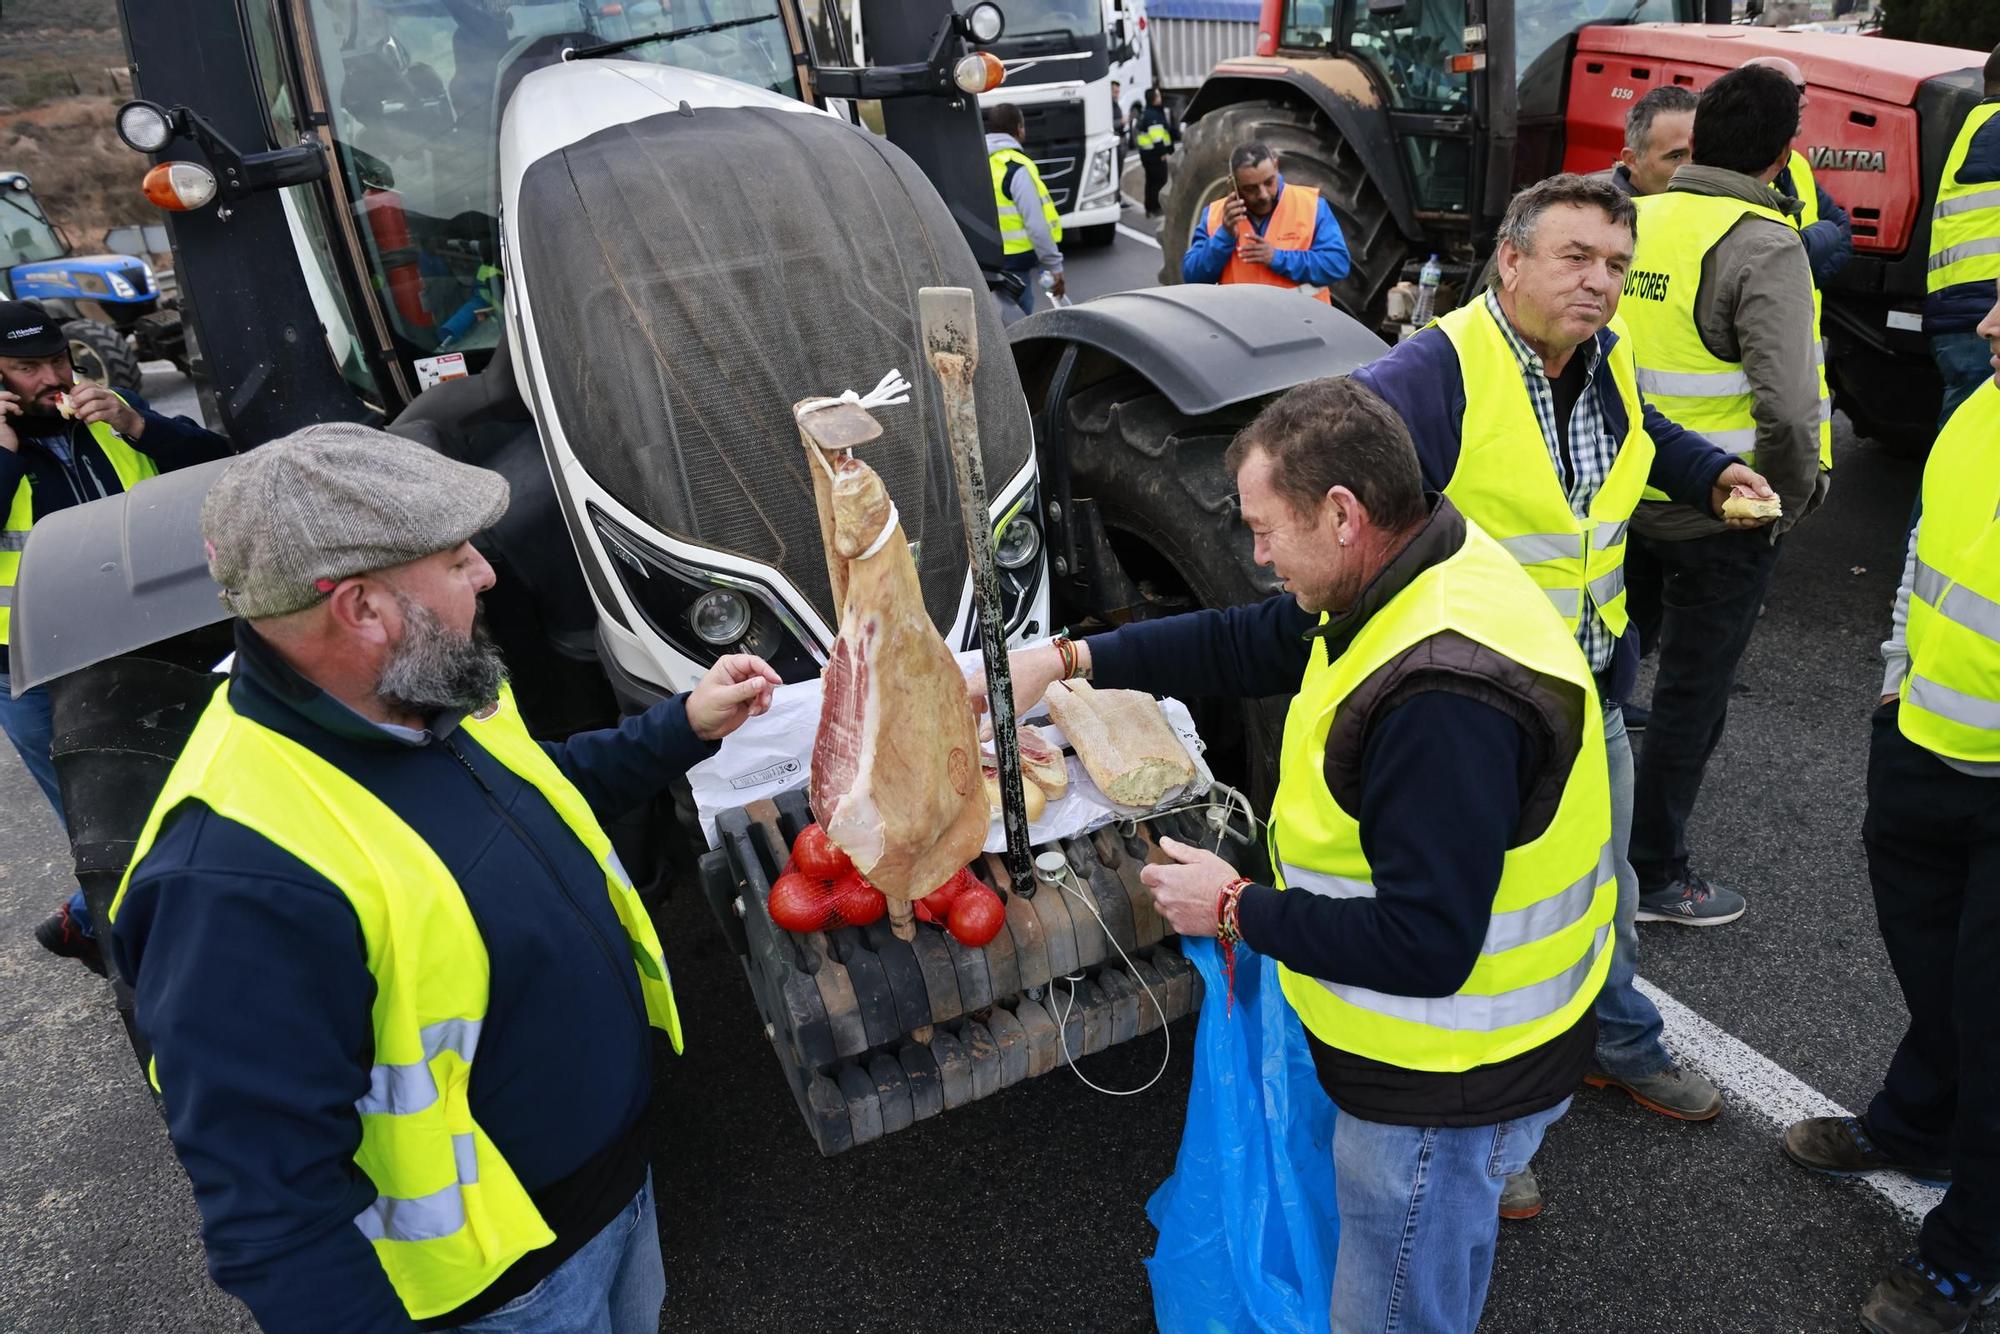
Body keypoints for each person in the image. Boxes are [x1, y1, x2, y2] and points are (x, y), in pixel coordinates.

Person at [107, 423, 780, 1331]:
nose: (487, 575)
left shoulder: (421, 691)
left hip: (615, 1194)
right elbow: (273, 1215)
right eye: (459, 559)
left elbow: (538, 788)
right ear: (363, 609)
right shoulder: (235, 874)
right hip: (506, 1294)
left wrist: (683, 726)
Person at [977, 377, 1614, 1333]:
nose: (1258, 554)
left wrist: (1233, 907)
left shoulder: (1443, 701)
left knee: (1394, 1311)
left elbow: (1428, 945)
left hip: (1448, 1079)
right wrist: (1064, 661)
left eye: (1267, 531)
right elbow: (1249, 641)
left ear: (1345, 515)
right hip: (1444, 1052)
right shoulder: (1414, 561)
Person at [1353, 172, 1779, 1216]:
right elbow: (1343, 502)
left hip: (1589, 690)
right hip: (1480, 717)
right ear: (1509, 259)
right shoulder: (1433, 369)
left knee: (1604, 894)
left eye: (1616, 267)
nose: (1599, 284)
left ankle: (1612, 1040)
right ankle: (1492, 1124)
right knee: (1492, 921)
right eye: (1574, 258)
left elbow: (1645, 440)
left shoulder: (1605, 359)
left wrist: (1711, 474)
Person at [1783, 278, 2000, 1334]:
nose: (1988, 325)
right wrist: (1890, 677)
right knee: (1940, 977)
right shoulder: (1978, 410)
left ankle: (1968, 1254)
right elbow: (1924, 551)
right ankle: (1917, 1123)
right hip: (1920, 744)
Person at [1617, 65, 1826, 926]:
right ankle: (1657, 874)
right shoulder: (1764, 243)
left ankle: (1571, 836)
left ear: (1695, 141)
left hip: (1626, 493)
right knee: (1690, 699)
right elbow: (1788, 409)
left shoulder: (1633, 217)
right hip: (1721, 514)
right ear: (1782, 157)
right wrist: (1788, 497)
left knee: (1604, 675)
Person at [0, 299, 233, 975]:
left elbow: (215, 468)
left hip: (145, 639)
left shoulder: (111, 413)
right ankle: (150, 956)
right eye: (24, 369)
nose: (49, 379)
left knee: (185, 788)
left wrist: (140, 424)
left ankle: (90, 918)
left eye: (54, 361)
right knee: (99, 817)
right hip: (30, 665)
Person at [1923, 42, 2000, 431]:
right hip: (1982, 313)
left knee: (1967, 446)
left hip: (1966, 312)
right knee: (1970, 448)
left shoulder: (1981, 124)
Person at [1180, 141, 1350, 303]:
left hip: (1305, 325)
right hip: (1243, 329)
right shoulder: (1214, 215)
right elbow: (1193, 277)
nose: (1263, 195)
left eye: (1269, 182)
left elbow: (1337, 264)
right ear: (1234, 183)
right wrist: (1224, 236)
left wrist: (1277, 258)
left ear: (1276, 166)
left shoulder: (1311, 205)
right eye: (1251, 188)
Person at [985, 102, 1065, 316]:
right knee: (1021, 321)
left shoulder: (976, 162)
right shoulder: (1017, 167)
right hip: (1016, 262)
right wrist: (1054, 265)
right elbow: (1036, 225)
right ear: (1019, 128)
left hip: (983, 258)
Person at [1596, 85, 1696, 199]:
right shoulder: (1588, 210)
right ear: (1632, 160)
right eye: (1676, 157)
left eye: (1698, 152)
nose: (1693, 168)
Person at [1134, 87, 1176, 218]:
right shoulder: (1153, 115)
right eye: (1158, 96)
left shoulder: (1150, 112)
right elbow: (1157, 137)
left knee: (1151, 182)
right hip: (1154, 155)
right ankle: (1156, 208)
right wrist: (1162, 153)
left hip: (1148, 154)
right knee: (1158, 182)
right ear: (1153, 99)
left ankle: (1149, 208)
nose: (1160, 98)